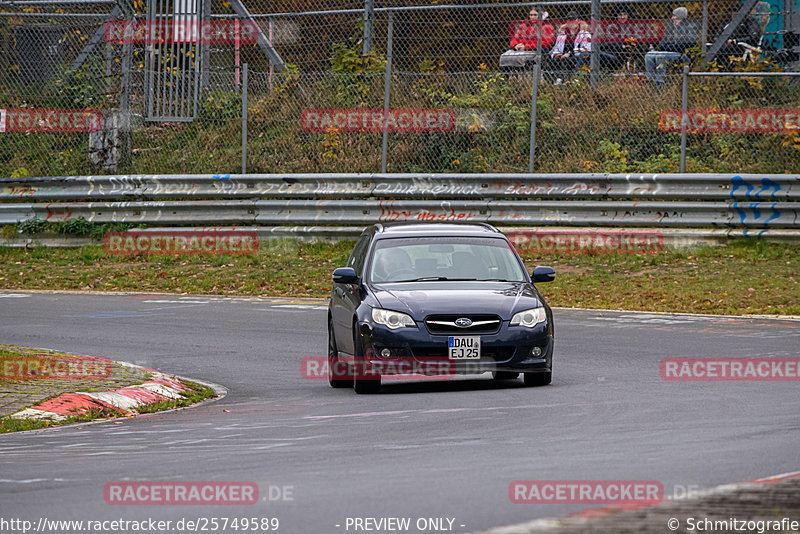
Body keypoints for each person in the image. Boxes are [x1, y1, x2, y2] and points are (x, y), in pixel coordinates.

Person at [644, 7, 700, 87]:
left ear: (681, 17)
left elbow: (683, 46)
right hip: (670, 52)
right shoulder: (672, 27)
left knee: (660, 56)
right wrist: (671, 46)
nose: (672, 18)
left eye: (674, 16)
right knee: (649, 55)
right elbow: (661, 44)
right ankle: (651, 81)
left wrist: (669, 46)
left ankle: (660, 84)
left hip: (683, 55)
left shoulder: (689, 28)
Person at [548, 11, 583, 83]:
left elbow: (586, 49)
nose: (571, 22)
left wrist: (570, 53)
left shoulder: (583, 34)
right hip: (562, 56)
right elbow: (556, 48)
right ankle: (559, 78)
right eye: (569, 20)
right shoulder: (562, 34)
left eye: (573, 19)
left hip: (576, 56)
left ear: (578, 21)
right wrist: (557, 54)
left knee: (567, 60)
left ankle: (573, 79)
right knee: (552, 59)